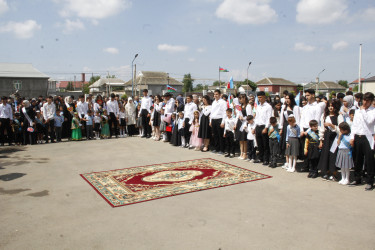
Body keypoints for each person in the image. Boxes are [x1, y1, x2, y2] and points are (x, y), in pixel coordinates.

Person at [350, 92, 375, 191]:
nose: (365, 102)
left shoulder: (372, 111)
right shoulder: (358, 111)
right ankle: (357, 178)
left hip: (368, 137)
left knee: (369, 160)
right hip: (358, 136)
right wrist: (352, 137)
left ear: (371, 101)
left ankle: (369, 181)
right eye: (364, 100)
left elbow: (369, 121)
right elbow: (354, 125)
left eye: (368, 100)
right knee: (357, 159)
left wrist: (364, 110)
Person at [317, 99, 344, 180]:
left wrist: (332, 125)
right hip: (327, 136)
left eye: (332, 106)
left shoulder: (339, 116)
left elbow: (341, 129)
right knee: (326, 154)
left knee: (333, 155)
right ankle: (326, 172)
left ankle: (334, 173)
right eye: (329, 106)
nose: (330, 108)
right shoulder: (324, 116)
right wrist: (321, 140)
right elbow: (322, 128)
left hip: (335, 138)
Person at [299, 89, 322, 171]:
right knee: (304, 149)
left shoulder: (317, 107)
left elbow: (316, 120)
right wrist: (302, 130)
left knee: (312, 150)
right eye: (306, 95)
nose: (306, 97)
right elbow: (302, 119)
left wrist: (307, 131)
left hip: (312, 130)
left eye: (308, 95)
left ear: (313, 95)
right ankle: (305, 165)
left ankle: (313, 168)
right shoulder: (305, 107)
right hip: (304, 129)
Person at [279, 93, 301, 160]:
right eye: (286, 98)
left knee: (291, 144)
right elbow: (281, 119)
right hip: (285, 126)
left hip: (292, 127)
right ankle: (286, 160)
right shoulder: (284, 107)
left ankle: (291, 161)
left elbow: (297, 119)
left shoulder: (295, 107)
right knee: (285, 143)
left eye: (288, 98)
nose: (287, 100)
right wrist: (281, 128)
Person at [254, 91, 273, 165]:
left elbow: (269, 117)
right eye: (258, 97)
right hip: (258, 126)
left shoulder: (268, 106)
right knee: (259, 144)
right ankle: (260, 158)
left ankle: (266, 159)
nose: (259, 99)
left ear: (264, 97)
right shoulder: (258, 106)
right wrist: (254, 127)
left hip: (264, 126)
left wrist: (266, 127)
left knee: (265, 144)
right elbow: (257, 117)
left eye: (261, 97)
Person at [235, 94, 253, 160]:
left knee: (244, 139)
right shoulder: (240, 106)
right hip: (240, 123)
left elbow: (249, 116)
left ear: (245, 98)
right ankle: (241, 152)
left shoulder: (248, 106)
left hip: (245, 123)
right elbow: (238, 114)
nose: (240, 100)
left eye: (241, 98)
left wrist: (244, 118)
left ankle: (245, 153)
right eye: (239, 98)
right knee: (240, 139)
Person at [210, 89, 227, 155]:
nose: (215, 95)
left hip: (219, 119)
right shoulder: (213, 102)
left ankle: (222, 149)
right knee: (215, 135)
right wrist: (210, 120)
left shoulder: (223, 102)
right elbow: (212, 112)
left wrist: (223, 122)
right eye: (214, 94)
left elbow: (224, 112)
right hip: (214, 119)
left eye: (217, 94)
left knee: (220, 135)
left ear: (220, 95)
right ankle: (216, 148)